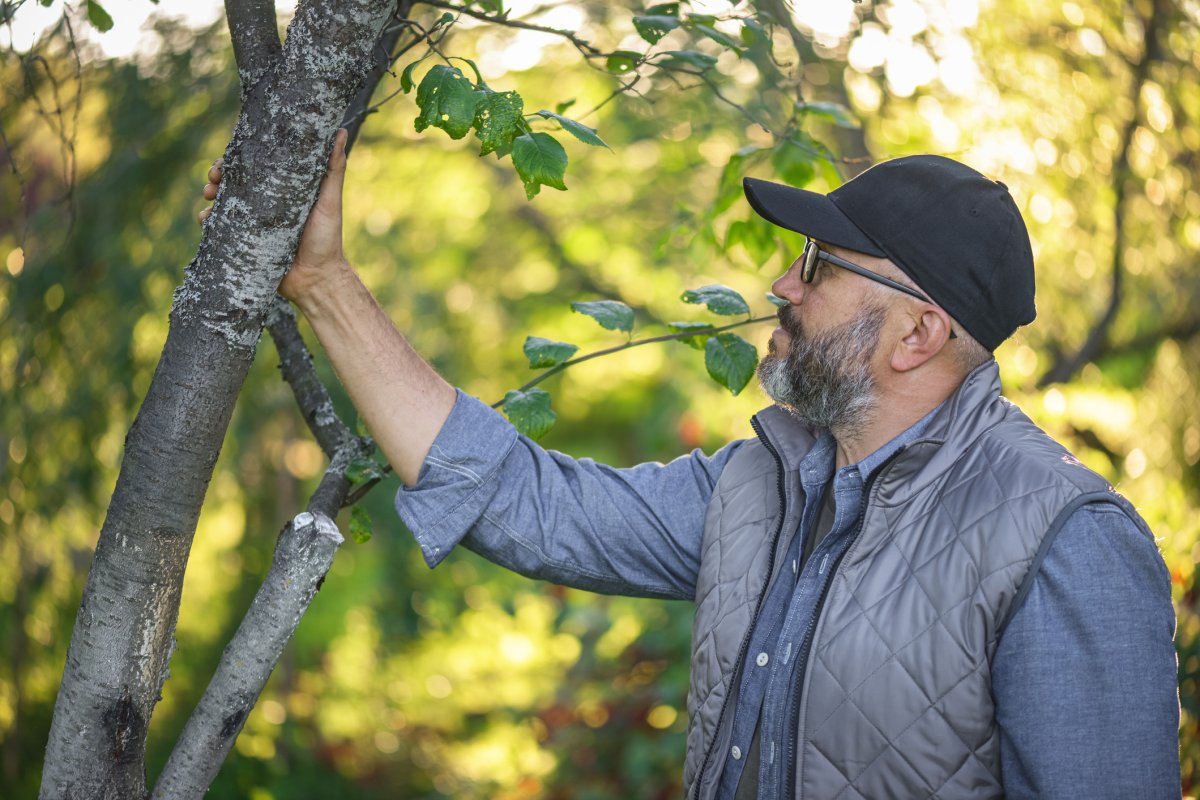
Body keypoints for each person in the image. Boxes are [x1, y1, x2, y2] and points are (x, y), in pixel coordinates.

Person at [201, 133, 1181, 798]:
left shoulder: (1064, 540)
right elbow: (521, 498)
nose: (780, 282)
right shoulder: (760, 485)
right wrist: (320, 279)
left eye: (818, 262)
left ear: (918, 333)